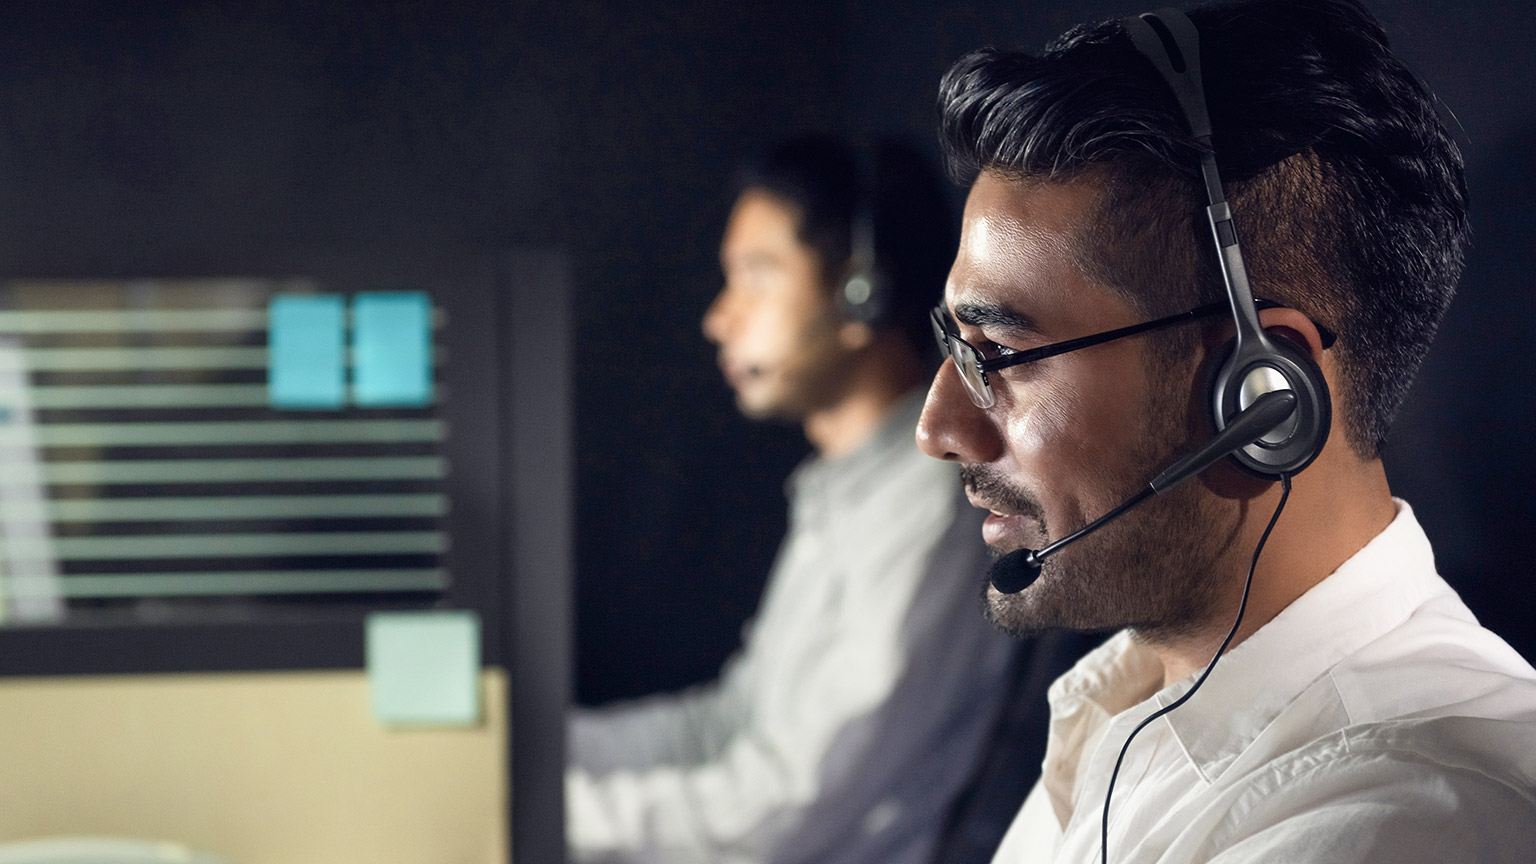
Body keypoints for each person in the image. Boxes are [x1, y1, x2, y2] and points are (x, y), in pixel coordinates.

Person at [917, 1, 1536, 862]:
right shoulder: (1134, 702)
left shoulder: (1411, 820)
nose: (938, 429)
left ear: (1260, 397)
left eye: (1003, 354)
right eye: (954, 343)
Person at [566, 136, 1025, 864]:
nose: (720, 318)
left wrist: (541, 809)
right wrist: (532, 755)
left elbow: (783, 809)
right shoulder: (845, 492)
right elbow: (730, 724)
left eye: (757, 276)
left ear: (860, 292)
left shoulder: (935, 510)